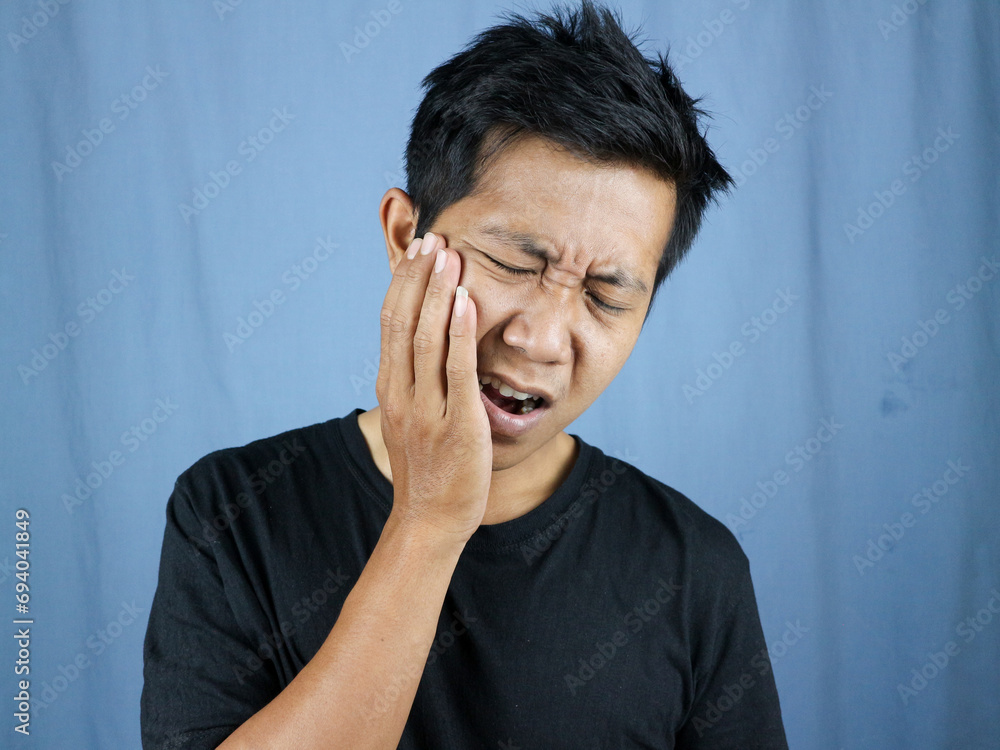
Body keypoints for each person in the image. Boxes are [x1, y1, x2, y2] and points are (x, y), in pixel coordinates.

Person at [141, 1, 789, 747]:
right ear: (402, 235)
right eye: (514, 263)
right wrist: (428, 521)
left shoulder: (692, 569)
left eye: (607, 296)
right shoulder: (231, 511)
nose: (541, 337)